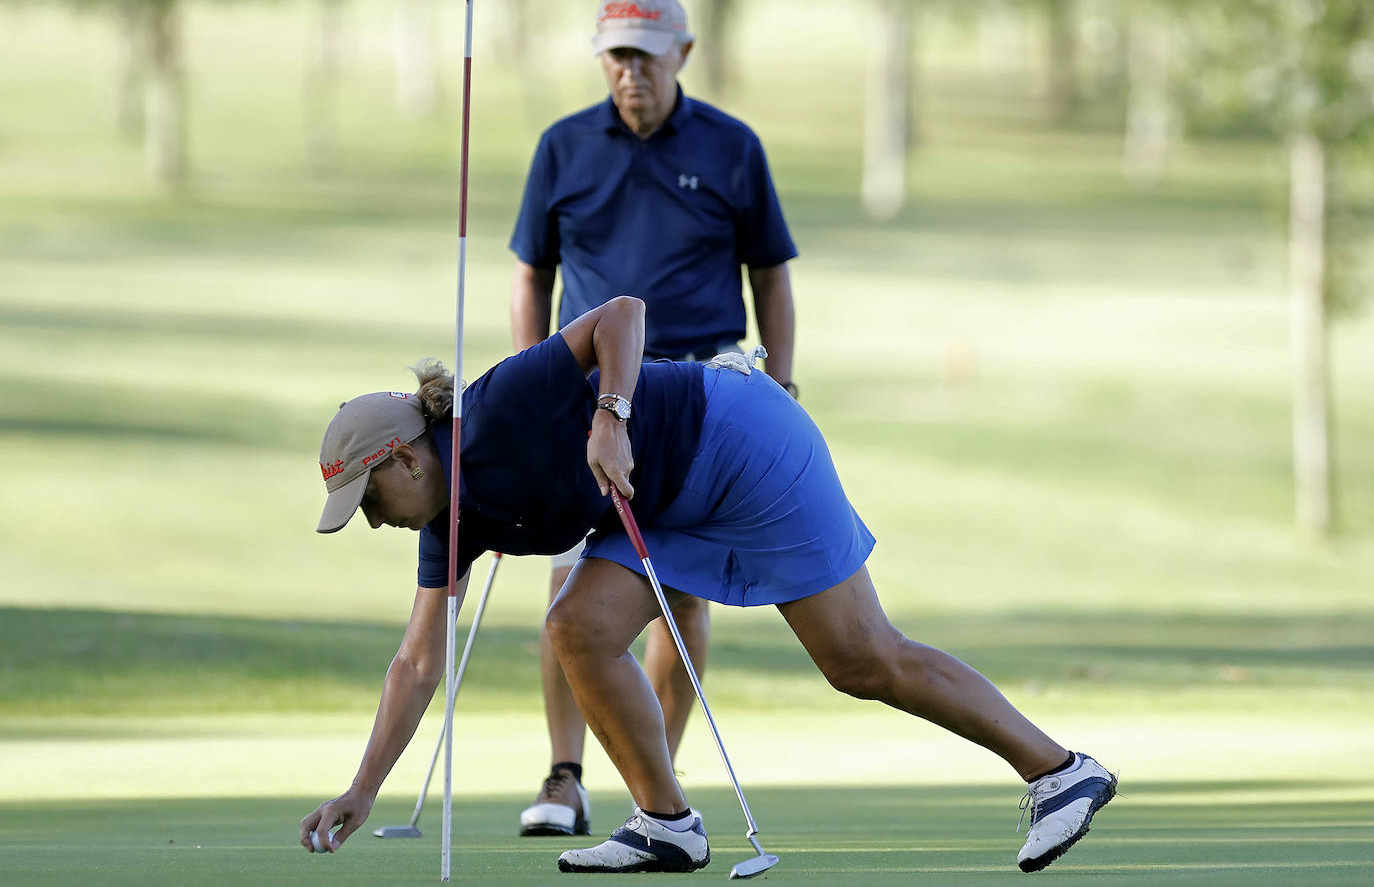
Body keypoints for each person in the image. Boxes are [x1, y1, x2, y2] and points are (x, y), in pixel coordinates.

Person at [298, 296, 1116, 875]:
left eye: (368, 499)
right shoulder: (446, 524)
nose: (371, 520)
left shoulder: (499, 408)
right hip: (665, 500)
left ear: (406, 459)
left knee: (860, 660)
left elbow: (621, 313)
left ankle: (1059, 770)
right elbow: (417, 662)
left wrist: (609, 414)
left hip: (741, 441)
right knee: (576, 626)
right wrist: (363, 790)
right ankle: (666, 824)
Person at [507, 0, 798, 836]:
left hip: (702, 399)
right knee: (568, 584)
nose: (630, 70)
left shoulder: (732, 147)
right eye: (616, 55)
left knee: (680, 592)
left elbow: (770, 273)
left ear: (683, 54)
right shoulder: (563, 146)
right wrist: (531, 380)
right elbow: (532, 273)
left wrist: (781, 382)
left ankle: (653, 789)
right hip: (590, 397)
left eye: (645, 54)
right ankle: (565, 777)